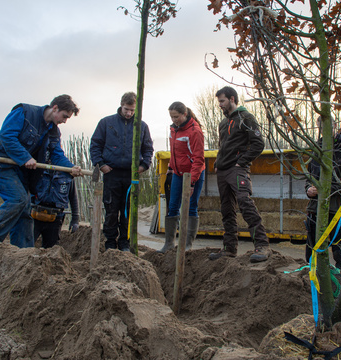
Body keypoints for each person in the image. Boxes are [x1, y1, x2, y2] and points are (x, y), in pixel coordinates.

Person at [0, 95, 82, 248]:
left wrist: (70, 168)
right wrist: (25, 157)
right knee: (18, 200)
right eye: (64, 116)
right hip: (1, 164)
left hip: (19, 170)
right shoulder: (24, 112)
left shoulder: (53, 132)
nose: (64, 121)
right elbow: (7, 136)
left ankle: (23, 252)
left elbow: (56, 154)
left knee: (25, 210)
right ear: (55, 108)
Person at [209, 86, 271, 263]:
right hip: (222, 171)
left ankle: (262, 245)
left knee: (245, 203)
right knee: (226, 210)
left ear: (232, 99)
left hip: (237, 169)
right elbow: (223, 146)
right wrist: (217, 163)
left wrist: (241, 162)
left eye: (222, 101)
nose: (220, 105)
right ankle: (229, 249)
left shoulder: (246, 118)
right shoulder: (223, 123)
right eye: (219, 101)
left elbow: (258, 143)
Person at [90, 92, 154, 252]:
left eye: (132, 110)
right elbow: (95, 145)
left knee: (128, 211)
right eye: (126, 109)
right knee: (111, 210)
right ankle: (110, 243)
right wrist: (101, 164)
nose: (129, 113)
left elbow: (148, 148)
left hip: (131, 175)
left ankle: (125, 243)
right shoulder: (106, 123)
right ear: (121, 105)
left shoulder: (142, 126)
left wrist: (144, 165)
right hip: (111, 173)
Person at [158, 102, 206, 253]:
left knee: (191, 207)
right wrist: (171, 167)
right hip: (178, 174)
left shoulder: (195, 131)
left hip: (193, 174)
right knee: (172, 206)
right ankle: (169, 243)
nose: (174, 120)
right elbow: (175, 152)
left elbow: (198, 159)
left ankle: (187, 244)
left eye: (176, 116)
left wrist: (191, 182)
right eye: (171, 117)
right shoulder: (174, 129)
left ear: (184, 114)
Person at [304, 117, 341, 270]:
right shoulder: (317, 147)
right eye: (320, 127)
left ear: (335, 125)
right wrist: (308, 190)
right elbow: (308, 176)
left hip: (338, 207)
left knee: (340, 249)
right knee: (312, 247)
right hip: (315, 207)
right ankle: (312, 278)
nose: (323, 130)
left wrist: (325, 189)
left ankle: (340, 281)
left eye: (326, 126)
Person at [30, 140, 80, 248]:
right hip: (35, 213)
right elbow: (28, 191)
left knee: (51, 249)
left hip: (55, 216)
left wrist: (75, 219)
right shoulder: (38, 169)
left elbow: (73, 198)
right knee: (27, 245)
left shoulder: (67, 174)